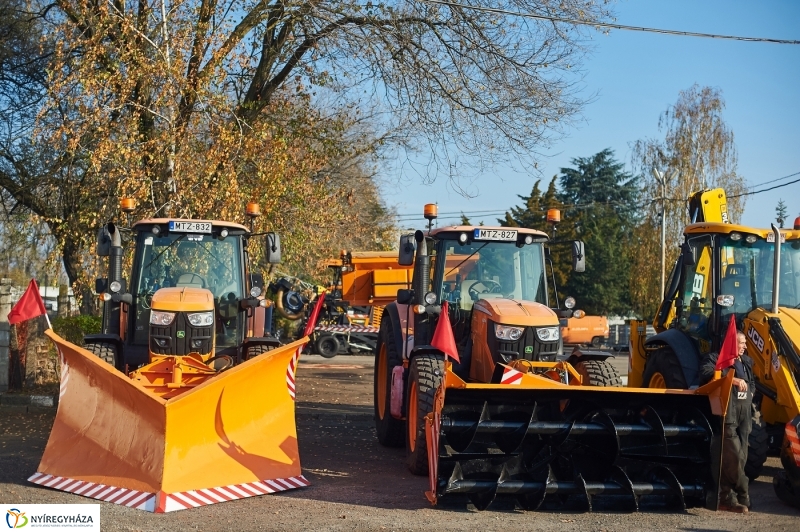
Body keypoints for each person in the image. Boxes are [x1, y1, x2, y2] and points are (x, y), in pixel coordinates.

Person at [700, 330, 755, 513]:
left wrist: (751, 393)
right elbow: (707, 373)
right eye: (741, 343)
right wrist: (733, 380)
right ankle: (742, 495)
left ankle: (728, 498)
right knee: (734, 457)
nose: (745, 346)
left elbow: (752, 383)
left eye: (745, 343)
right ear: (732, 343)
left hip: (744, 414)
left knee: (742, 457)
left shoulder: (746, 362)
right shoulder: (716, 359)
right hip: (727, 412)